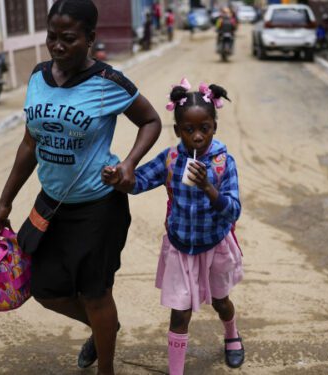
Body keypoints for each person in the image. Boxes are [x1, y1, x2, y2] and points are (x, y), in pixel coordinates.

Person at [0, 1, 162, 374]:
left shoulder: (108, 83)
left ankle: (107, 367)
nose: (58, 46)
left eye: (68, 38)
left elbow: (150, 120)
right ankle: (105, 329)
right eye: (52, 37)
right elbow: (29, 144)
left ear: (90, 38)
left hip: (98, 209)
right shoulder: (37, 77)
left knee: (95, 293)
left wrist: (128, 164)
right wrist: (5, 200)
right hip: (49, 205)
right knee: (43, 287)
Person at [101, 78, 245, 374]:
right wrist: (119, 179)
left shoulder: (222, 163)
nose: (197, 137)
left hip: (214, 245)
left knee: (221, 302)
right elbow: (139, 181)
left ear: (214, 127)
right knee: (179, 316)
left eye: (204, 128)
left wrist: (208, 186)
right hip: (181, 249)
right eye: (188, 130)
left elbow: (233, 210)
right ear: (178, 131)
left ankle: (232, 333)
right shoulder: (171, 159)